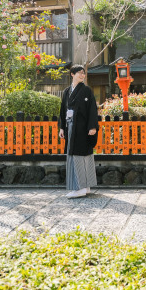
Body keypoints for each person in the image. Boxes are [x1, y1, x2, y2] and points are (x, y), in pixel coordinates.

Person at [59, 65, 99, 198]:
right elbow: (62, 111)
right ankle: (83, 186)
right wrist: (61, 127)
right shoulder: (66, 91)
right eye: (79, 73)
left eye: (83, 73)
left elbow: (92, 109)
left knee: (83, 155)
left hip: (83, 128)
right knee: (75, 155)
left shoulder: (86, 90)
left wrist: (92, 126)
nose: (82, 75)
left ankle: (81, 187)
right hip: (71, 128)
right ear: (72, 74)